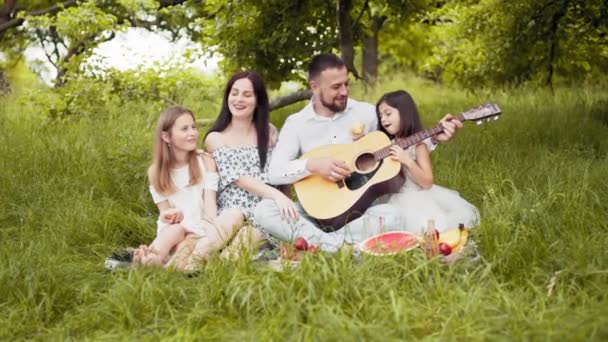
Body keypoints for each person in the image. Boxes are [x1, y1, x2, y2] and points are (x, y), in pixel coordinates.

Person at [254, 53, 463, 252]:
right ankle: (337, 246)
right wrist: (312, 165)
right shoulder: (296, 124)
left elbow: (400, 137)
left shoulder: (367, 112)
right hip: (316, 211)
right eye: (336, 87)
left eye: (346, 84)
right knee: (264, 210)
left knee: (392, 215)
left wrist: (434, 137)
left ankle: (318, 244)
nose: (344, 91)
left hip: (361, 211)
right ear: (315, 87)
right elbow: (275, 172)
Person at [197, 70, 299, 259]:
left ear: (257, 100)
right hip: (231, 211)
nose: (238, 99)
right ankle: (184, 266)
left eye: (247, 94)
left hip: (264, 214)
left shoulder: (269, 133)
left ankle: (215, 275)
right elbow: (239, 178)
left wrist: (285, 202)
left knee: (235, 252)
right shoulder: (216, 138)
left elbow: (281, 174)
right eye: (234, 93)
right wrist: (277, 195)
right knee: (230, 219)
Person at [131, 105, 226, 267]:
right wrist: (169, 214)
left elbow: (210, 204)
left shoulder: (204, 162)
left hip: (199, 228)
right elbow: (164, 212)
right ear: (167, 137)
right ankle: (152, 257)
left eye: (193, 127)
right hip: (172, 230)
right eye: (184, 129)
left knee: (186, 243)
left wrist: (208, 231)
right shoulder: (155, 171)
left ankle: (166, 266)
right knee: (175, 230)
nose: (192, 133)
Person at [375, 90, 479, 233]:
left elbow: (427, 182)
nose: (383, 120)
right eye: (380, 116)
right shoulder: (386, 144)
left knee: (427, 229)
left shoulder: (418, 145)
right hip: (390, 197)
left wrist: (407, 160)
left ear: (404, 113)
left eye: (388, 114)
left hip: (415, 198)